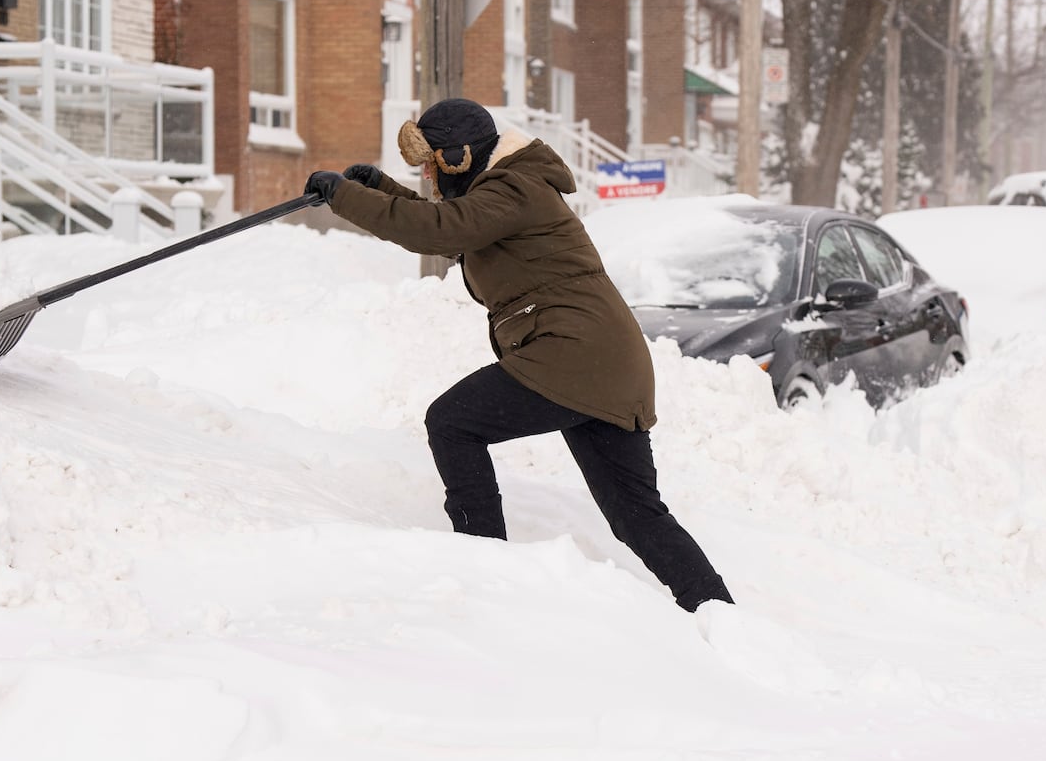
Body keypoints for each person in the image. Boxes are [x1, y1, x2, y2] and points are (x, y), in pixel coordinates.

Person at [303, 98, 733, 613]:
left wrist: (347, 197)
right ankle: (718, 613)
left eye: (430, 166)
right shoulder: (504, 192)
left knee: (452, 423)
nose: (427, 176)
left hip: (574, 353)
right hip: (605, 362)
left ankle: (483, 565)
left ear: (458, 157)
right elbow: (451, 228)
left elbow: (441, 229)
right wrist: (379, 190)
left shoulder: (514, 188)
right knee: (635, 514)